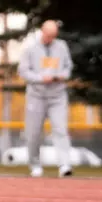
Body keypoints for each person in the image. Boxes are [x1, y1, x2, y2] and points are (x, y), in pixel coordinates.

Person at [19, 20, 74, 177]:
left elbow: (68, 67)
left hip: (57, 95)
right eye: (48, 35)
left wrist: (60, 76)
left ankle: (65, 165)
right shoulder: (30, 48)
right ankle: (35, 165)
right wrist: (39, 78)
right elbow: (23, 71)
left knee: (60, 129)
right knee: (33, 132)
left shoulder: (62, 46)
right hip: (36, 96)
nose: (51, 38)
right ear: (42, 31)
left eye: (53, 36)